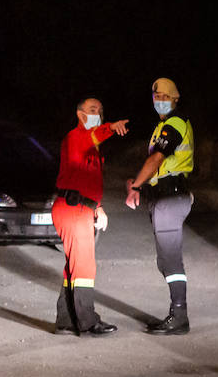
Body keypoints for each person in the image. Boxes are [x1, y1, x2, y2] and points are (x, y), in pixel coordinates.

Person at [53, 97, 128, 334]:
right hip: (72, 209)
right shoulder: (77, 138)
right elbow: (92, 137)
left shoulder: (92, 147)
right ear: (80, 114)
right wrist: (111, 127)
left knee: (74, 267)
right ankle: (88, 322)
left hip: (81, 207)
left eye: (101, 110)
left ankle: (66, 321)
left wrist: (99, 207)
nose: (98, 113)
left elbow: (88, 182)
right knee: (84, 266)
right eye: (93, 109)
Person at [125, 77, 193, 335]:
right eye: (157, 97)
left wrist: (136, 186)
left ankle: (179, 316)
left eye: (165, 97)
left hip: (170, 197)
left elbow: (156, 158)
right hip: (166, 197)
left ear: (175, 99)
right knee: (166, 260)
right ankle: (178, 315)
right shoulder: (163, 125)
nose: (160, 101)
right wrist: (139, 182)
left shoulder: (174, 123)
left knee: (170, 260)